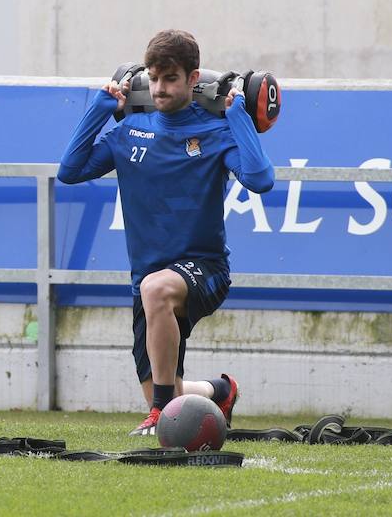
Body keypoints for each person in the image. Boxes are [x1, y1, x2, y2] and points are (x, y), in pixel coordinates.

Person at [57, 30, 274, 435]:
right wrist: (100, 108)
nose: (159, 88)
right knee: (169, 392)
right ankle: (219, 391)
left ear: (193, 79)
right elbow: (70, 171)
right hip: (147, 281)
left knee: (158, 298)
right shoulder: (130, 132)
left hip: (205, 270)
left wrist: (239, 118)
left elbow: (261, 180)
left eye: (170, 78)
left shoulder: (215, 133)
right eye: (154, 78)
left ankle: (157, 415)